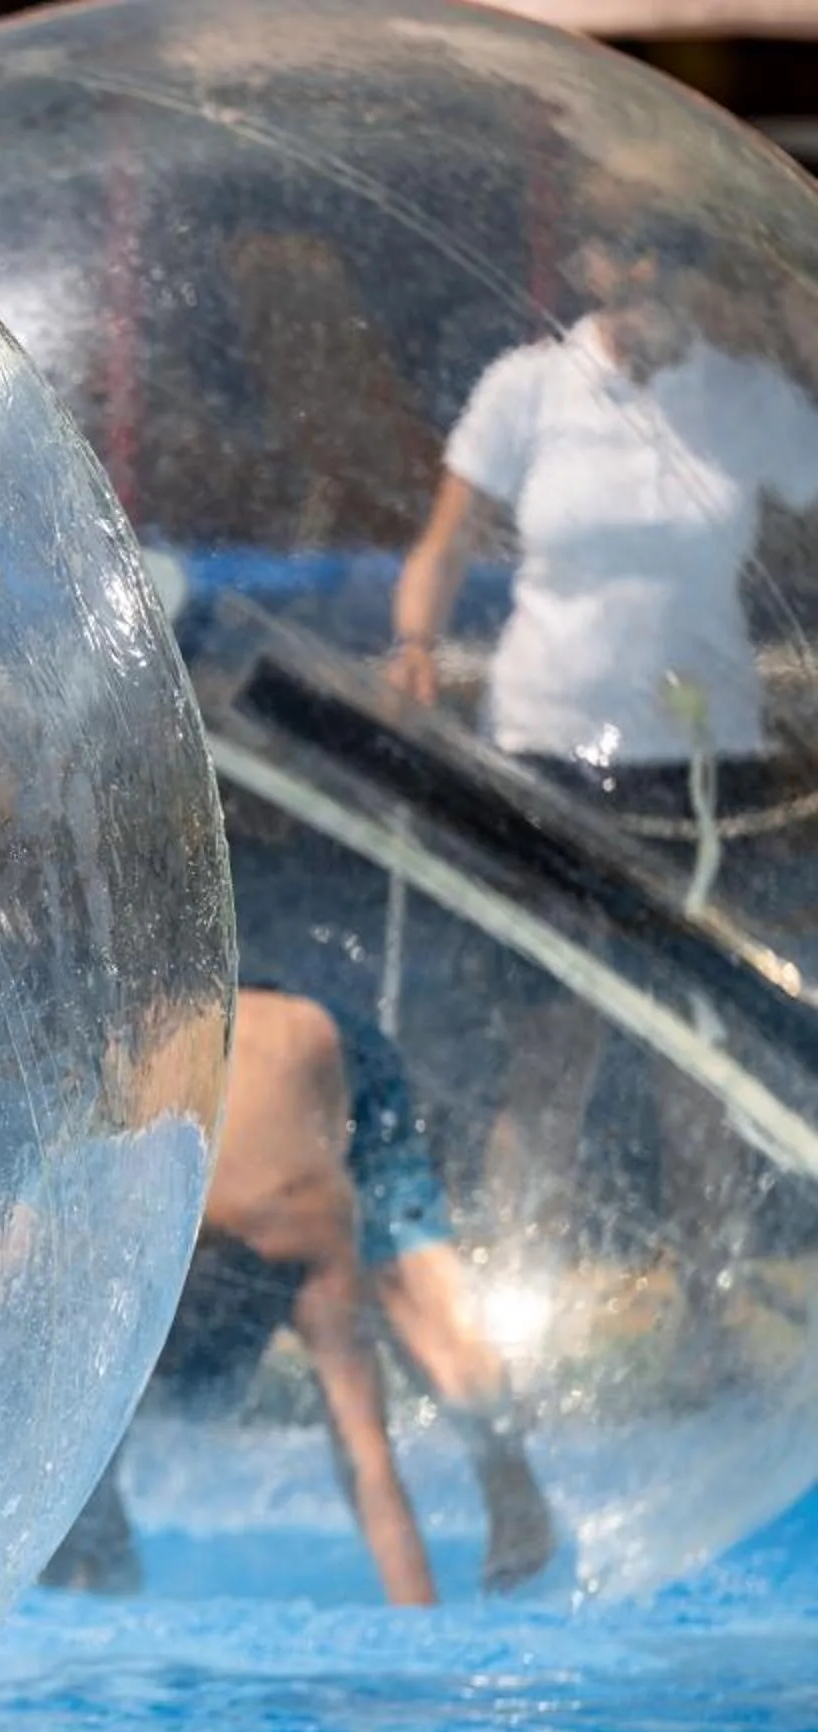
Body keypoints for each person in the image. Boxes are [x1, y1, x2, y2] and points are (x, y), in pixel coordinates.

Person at [388, 198, 818, 1357]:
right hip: (548, 750)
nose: (643, 274)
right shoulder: (528, 387)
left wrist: (792, 319)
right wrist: (417, 642)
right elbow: (445, 531)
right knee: (552, 1041)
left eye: (669, 250)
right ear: (586, 261)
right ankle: (510, 1295)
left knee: (700, 1048)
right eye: (625, 250)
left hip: (702, 765)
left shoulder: (740, 399)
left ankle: (714, 1302)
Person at [45, 990, 555, 1604]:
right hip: (231, 1030)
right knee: (95, 1426)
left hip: (312, 1059)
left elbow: (368, 1456)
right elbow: (368, 1459)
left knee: (425, 1323)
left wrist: (420, 1625)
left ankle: (513, 1489)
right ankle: (513, 1491)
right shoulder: (144, 1250)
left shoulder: (300, 1241)